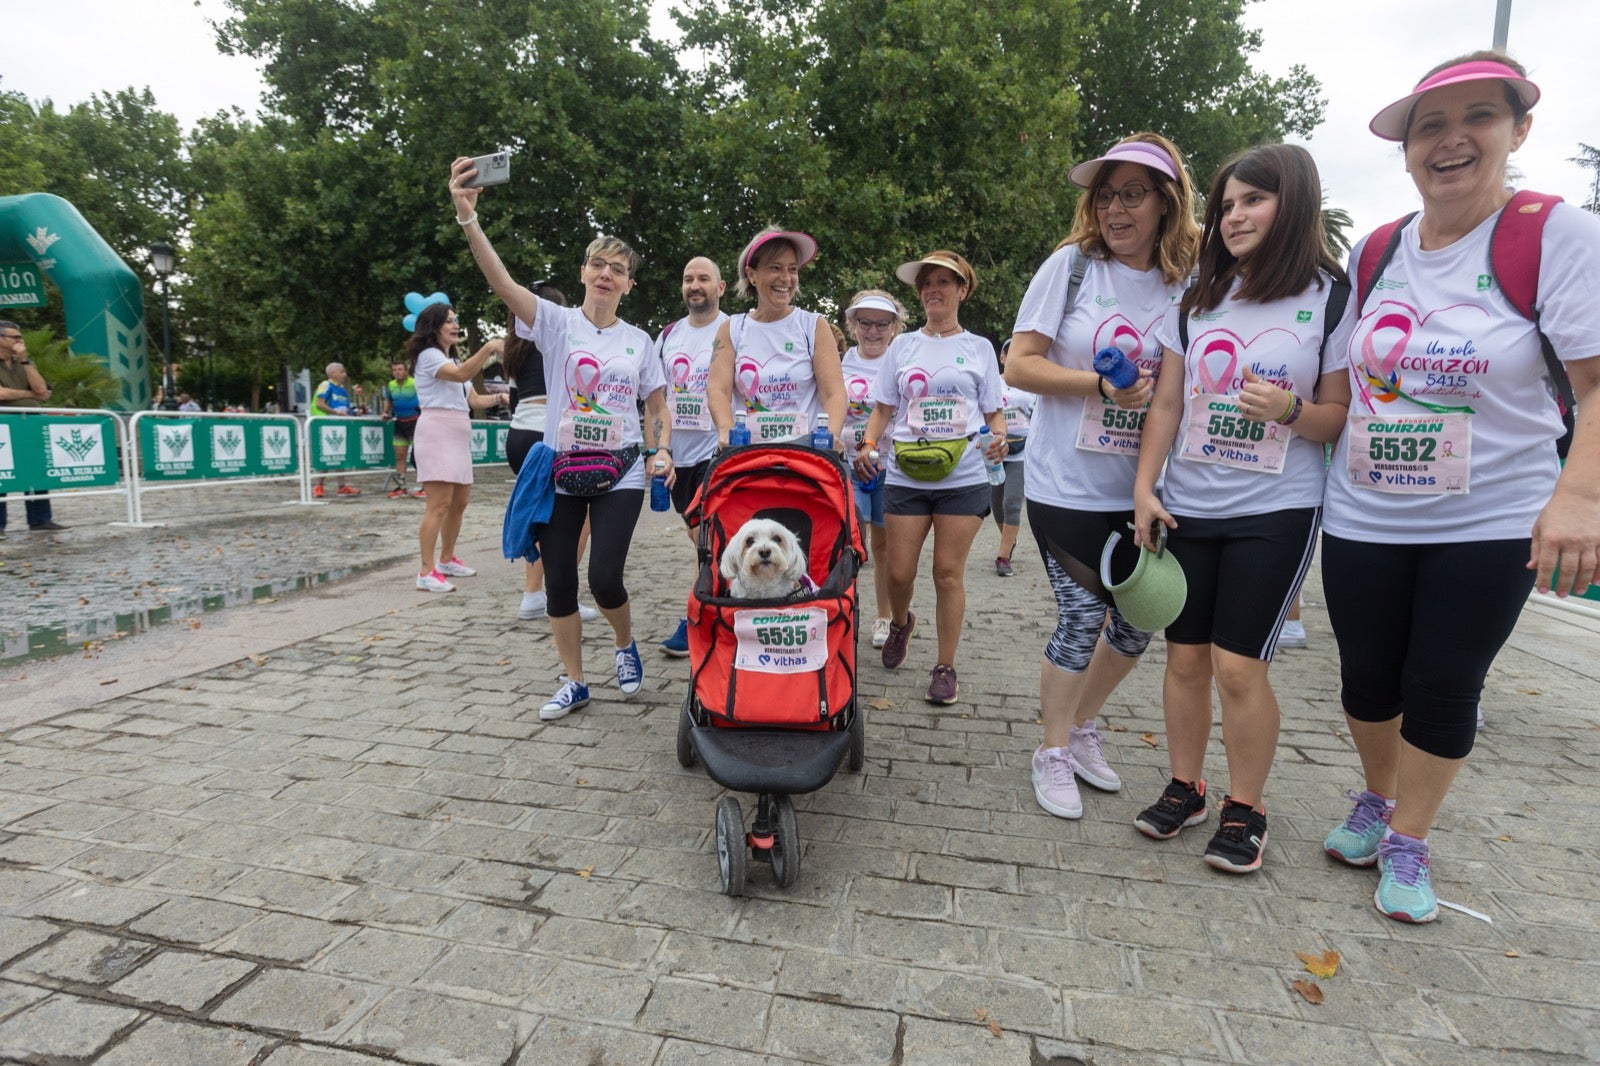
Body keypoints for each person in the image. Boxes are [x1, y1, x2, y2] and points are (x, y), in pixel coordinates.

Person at [1320, 53, 1599, 922]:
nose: (1450, 141)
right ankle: (1378, 797)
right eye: (1428, 127)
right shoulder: (1376, 249)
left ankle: (1412, 837)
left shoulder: (1554, 234)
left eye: (1478, 117)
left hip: (1491, 517)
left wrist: (1579, 497)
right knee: (1368, 680)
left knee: (1444, 681)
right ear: (1406, 152)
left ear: (1518, 130)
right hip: (1366, 509)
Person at [1131, 143, 1352, 875]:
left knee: (1238, 667)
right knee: (1185, 657)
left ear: (1293, 203)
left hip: (1277, 509)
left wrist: (1292, 408)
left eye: (1252, 200)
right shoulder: (1197, 295)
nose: (1234, 216)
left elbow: (1337, 419)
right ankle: (1187, 786)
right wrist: (1145, 487)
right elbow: (1166, 399)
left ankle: (1246, 805)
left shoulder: (1331, 294)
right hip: (1191, 504)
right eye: (1226, 205)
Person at [1004, 134, 1200, 820]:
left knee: (1135, 626)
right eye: (1106, 195)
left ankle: (1083, 725)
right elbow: (1018, 365)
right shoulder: (1072, 268)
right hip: (1064, 486)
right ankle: (1050, 750)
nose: (1116, 210)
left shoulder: (1190, 279)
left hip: (1143, 489)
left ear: (1166, 202)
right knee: (1083, 616)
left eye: (1133, 194)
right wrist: (1098, 385)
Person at [451, 156, 673, 721]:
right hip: (562, 469)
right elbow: (501, 282)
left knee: (604, 577)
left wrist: (661, 449)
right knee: (558, 584)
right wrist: (468, 218)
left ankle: (624, 645)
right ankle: (574, 680)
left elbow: (655, 402)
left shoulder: (640, 341)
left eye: (617, 269)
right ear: (582, 273)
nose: (606, 274)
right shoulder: (554, 322)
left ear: (629, 283)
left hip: (621, 469)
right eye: (598, 264)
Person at [854, 251, 1006, 705]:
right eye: (926, 284)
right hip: (906, 474)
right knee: (898, 572)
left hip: (963, 476)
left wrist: (998, 438)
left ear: (963, 290)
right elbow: (882, 407)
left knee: (946, 572)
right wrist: (867, 444)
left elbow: (995, 414)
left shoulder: (979, 348)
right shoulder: (903, 347)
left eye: (944, 282)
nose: (933, 290)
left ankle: (945, 666)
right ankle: (901, 622)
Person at [502, 284, 599, 624]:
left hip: (519, 433)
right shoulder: (563, 339)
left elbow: (514, 398)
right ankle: (561, 591)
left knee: (537, 513)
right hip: (550, 433)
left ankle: (532, 594)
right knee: (576, 518)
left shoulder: (514, 349)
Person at [708, 227, 845, 451]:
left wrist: (830, 435)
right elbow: (717, 390)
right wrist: (725, 428)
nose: (786, 278)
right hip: (749, 457)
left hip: (805, 458)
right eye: (775, 268)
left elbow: (834, 393)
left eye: (793, 269)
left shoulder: (814, 326)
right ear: (751, 275)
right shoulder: (731, 329)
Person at [656, 256, 730, 657]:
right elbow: (657, 399)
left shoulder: (735, 330)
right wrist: (659, 449)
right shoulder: (668, 336)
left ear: (720, 288)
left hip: (717, 452)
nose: (695, 285)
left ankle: (700, 616)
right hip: (677, 457)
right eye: (688, 279)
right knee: (700, 538)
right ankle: (720, 604)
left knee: (706, 536)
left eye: (704, 278)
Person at [409, 305, 503, 592]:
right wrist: (489, 347)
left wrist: (502, 397)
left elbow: (473, 400)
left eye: (456, 320)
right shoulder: (429, 357)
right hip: (437, 433)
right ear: (433, 326)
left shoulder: (451, 359)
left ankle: (446, 559)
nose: (455, 325)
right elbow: (463, 374)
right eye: (449, 321)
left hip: (457, 435)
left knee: (459, 503)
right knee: (438, 505)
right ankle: (426, 571)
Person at [840, 289, 907, 648]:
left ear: (894, 327)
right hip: (850, 465)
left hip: (892, 467)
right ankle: (845, 614)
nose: (873, 330)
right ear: (853, 325)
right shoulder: (841, 364)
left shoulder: (901, 361)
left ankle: (885, 618)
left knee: (883, 549)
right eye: (865, 322)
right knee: (850, 545)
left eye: (882, 323)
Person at [0, 322, 66, 534]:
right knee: (3, 473)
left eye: (21, 337)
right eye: (15, 337)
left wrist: (25, 360)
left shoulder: (24, 362)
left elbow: (41, 388)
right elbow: (1, 394)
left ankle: (40, 519)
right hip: (4, 425)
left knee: (35, 470)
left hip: (31, 423)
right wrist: (30, 395)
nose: (20, 341)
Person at [991, 338, 1036, 576]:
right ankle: (1009, 540)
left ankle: (1003, 556)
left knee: (1011, 503)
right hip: (996, 449)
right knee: (996, 504)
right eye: (1010, 353)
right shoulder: (991, 384)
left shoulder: (1031, 385)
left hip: (1022, 450)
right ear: (1003, 358)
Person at [312, 362, 359, 498]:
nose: (345, 374)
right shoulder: (326, 385)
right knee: (327, 456)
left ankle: (342, 486)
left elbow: (344, 408)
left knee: (340, 454)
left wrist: (354, 413)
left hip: (340, 425)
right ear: (333, 373)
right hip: (326, 424)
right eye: (342, 372)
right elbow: (319, 404)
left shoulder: (342, 389)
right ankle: (319, 486)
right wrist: (335, 413)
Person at [382, 357, 422, 498]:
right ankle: (401, 487)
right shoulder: (391, 385)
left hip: (415, 422)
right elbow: (389, 400)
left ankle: (426, 487)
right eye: (394, 370)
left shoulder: (414, 383)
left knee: (419, 457)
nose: (397, 372)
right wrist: (385, 412)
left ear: (406, 371)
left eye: (400, 369)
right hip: (400, 423)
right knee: (400, 456)